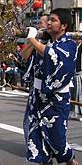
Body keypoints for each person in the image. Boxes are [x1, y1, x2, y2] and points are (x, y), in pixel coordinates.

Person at [25, 8, 79, 165]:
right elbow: (24, 58)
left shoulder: (69, 44)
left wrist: (34, 41)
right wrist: (32, 41)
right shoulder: (42, 41)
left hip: (56, 98)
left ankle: (70, 159)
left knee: (57, 139)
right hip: (38, 96)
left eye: (53, 21)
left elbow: (53, 56)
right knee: (37, 139)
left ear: (63, 26)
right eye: (48, 21)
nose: (49, 23)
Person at [20, 14, 49, 143]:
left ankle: (47, 145)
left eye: (41, 23)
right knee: (31, 116)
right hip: (35, 83)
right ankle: (32, 143)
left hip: (49, 84)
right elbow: (24, 55)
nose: (39, 25)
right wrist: (32, 41)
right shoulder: (33, 39)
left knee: (47, 117)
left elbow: (47, 53)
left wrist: (34, 40)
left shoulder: (53, 40)